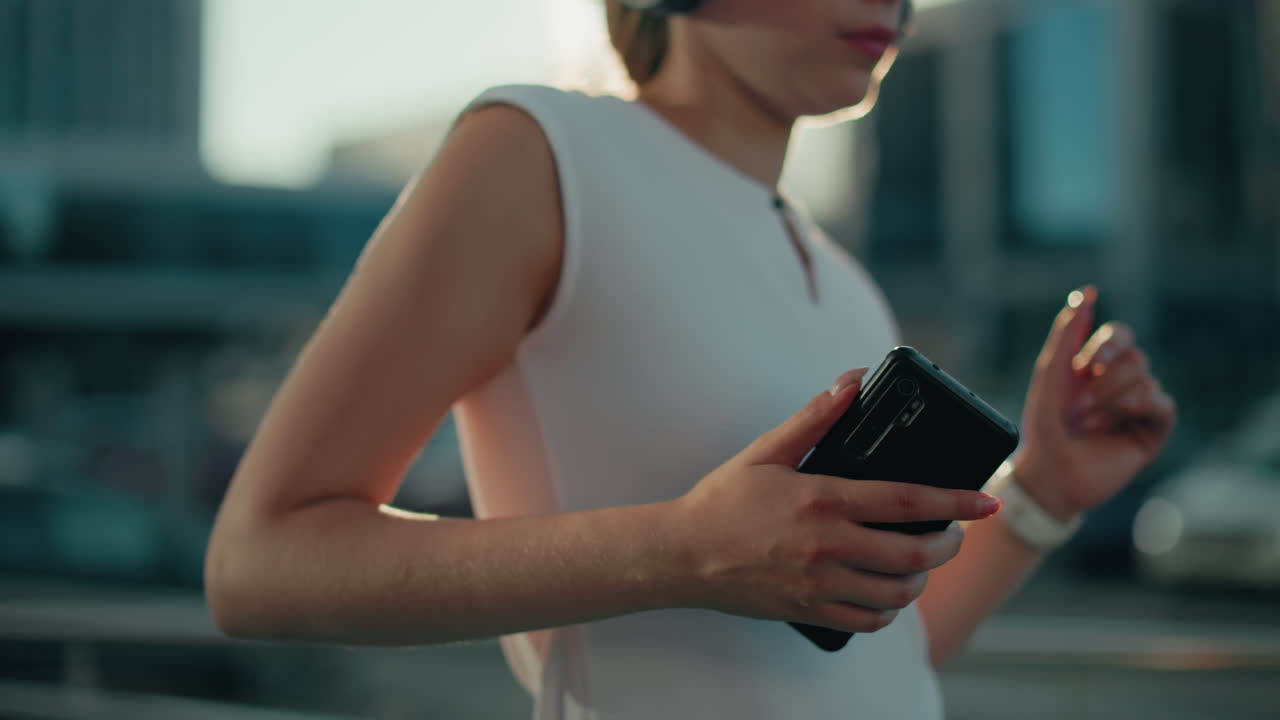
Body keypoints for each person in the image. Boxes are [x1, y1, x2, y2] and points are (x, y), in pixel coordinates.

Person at [204, 0, 1177, 717]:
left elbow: (877, 654)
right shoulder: (540, 153)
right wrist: (683, 549)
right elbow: (260, 563)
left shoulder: (843, 278)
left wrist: (1041, 493)